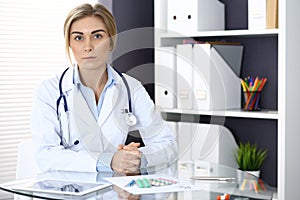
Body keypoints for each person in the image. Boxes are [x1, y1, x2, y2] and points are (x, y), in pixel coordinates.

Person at [31, 3, 177, 174]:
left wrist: (138, 158)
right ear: (69, 44)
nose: (88, 46)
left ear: (110, 42)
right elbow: (45, 155)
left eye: (97, 36)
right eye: (79, 38)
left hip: (113, 190)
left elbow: (167, 144)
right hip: (67, 189)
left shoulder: (131, 88)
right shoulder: (49, 91)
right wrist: (109, 161)